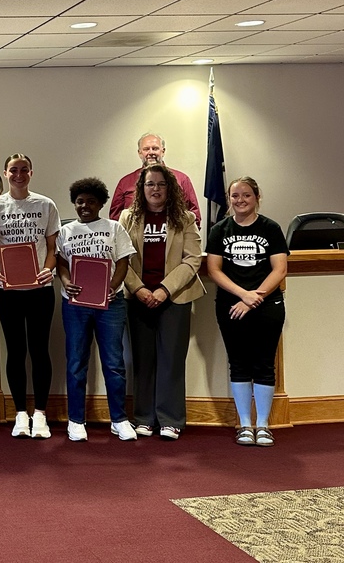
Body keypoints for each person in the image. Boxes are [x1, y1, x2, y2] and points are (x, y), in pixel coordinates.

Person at [119, 164, 204, 441]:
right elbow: (118, 258)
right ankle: (143, 417)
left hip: (174, 298)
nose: (155, 189)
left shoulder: (184, 218)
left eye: (160, 184)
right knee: (142, 360)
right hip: (139, 297)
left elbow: (193, 258)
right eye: (149, 184)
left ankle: (171, 419)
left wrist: (165, 289)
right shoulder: (127, 218)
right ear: (141, 190)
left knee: (171, 360)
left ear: (170, 188)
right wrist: (140, 289)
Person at [206, 177, 288, 447]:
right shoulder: (220, 229)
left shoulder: (271, 228)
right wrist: (242, 295)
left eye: (246, 195)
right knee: (239, 362)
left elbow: (280, 269)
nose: (240, 200)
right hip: (231, 306)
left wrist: (255, 297)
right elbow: (214, 269)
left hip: (268, 305)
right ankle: (244, 424)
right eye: (234, 196)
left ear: (256, 197)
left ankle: (263, 425)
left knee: (264, 363)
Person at [0, 154, 60, 440]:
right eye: (13, 170)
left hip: (40, 290)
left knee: (40, 351)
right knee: (15, 351)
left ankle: (40, 413)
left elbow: (53, 249)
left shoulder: (45, 205)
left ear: (31, 172)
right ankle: (19, 413)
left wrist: (48, 269)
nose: (18, 175)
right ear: (5, 173)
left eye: (23, 170)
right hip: (9, 291)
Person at [56, 178, 137, 443]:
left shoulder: (114, 228)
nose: (85, 206)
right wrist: (67, 284)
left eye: (91, 201)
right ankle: (76, 420)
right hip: (75, 306)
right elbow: (61, 264)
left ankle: (119, 419)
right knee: (76, 362)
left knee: (114, 363)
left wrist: (111, 288)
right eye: (80, 202)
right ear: (74, 204)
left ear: (101, 203)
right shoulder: (66, 231)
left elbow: (123, 262)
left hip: (110, 305)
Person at [109, 133, 200, 224]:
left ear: (163, 151)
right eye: (146, 149)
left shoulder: (182, 179)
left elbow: (194, 217)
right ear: (140, 153)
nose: (151, 152)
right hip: (135, 237)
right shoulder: (125, 182)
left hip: (173, 236)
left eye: (155, 148)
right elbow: (115, 221)